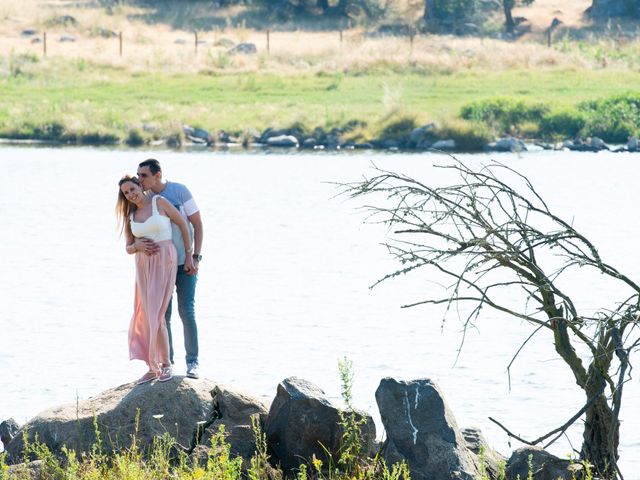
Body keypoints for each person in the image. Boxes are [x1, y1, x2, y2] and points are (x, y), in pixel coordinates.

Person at [116, 175, 195, 384]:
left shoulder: (159, 202)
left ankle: (165, 364)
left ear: (140, 186)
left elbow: (183, 225)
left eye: (132, 189)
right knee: (146, 313)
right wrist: (137, 247)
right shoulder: (130, 214)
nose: (131, 195)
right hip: (143, 265)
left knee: (157, 313)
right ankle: (152, 367)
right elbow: (128, 247)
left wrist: (189, 255)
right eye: (126, 193)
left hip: (165, 259)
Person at [134, 159, 203, 379]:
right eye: (138, 175)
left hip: (185, 263)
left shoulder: (179, 191)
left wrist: (195, 256)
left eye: (143, 175)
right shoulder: (144, 200)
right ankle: (167, 363)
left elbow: (197, 224)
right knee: (163, 315)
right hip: (160, 267)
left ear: (158, 175)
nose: (139, 179)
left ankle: (193, 362)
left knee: (187, 311)